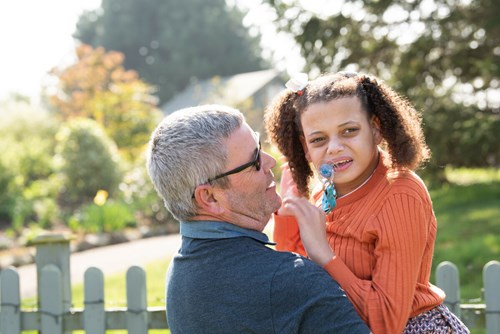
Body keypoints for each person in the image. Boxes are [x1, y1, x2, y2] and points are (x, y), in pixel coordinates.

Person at [265, 72, 470, 334]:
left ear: (375, 129)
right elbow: (298, 274)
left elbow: (386, 322)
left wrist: (326, 256)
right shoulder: (325, 191)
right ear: (306, 148)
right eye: (319, 139)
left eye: (349, 131)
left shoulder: (400, 193)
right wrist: (289, 210)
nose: (334, 148)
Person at [146, 104, 370, 334]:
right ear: (210, 197)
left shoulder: (182, 272)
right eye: (254, 162)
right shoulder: (290, 280)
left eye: (259, 146)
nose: (270, 161)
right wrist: (324, 257)